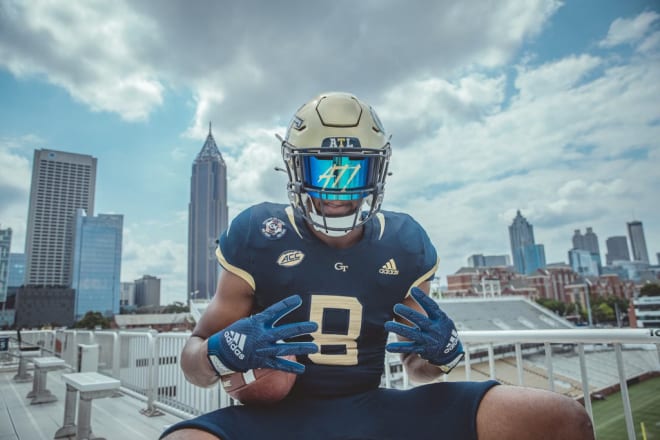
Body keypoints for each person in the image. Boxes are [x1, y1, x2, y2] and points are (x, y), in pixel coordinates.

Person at [161, 92, 593, 440]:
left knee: (559, 417)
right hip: (273, 417)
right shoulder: (260, 231)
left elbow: (418, 373)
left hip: (373, 407)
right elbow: (193, 361)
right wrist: (219, 353)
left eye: (352, 170)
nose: (336, 187)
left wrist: (439, 356)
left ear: (377, 170)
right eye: (323, 169)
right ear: (296, 167)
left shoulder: (404, 242)